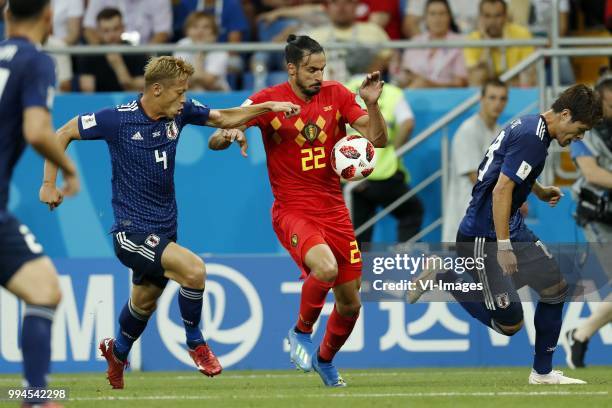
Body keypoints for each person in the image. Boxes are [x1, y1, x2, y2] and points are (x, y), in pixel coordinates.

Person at [39, 56, 300, 389]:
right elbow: (62, 133)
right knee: (194, 270)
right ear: (157, 89)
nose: (183, 99)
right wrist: (49, 183)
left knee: (143, 303)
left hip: (165, 228)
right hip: (130, 232)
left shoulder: (183, 112)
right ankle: (196, 342)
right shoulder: (116, 120)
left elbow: (227, 116)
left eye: (185, 93)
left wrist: (270, 107)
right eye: (178, 93)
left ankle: (117, 354)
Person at [208, 35, 387, 387]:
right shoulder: (266, 101)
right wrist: (230, 135)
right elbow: (217, 134)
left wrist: (372, 104)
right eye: (311, 69)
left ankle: (324, 359)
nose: (319, 76)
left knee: (351, 306)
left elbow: (378, 140)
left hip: (334, 210)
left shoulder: (337, 94)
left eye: (322, 69)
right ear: (291, 68)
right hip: (293, 210)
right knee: (325, 267)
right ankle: (301, 333)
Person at [413, 84, 602, 384]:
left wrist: (537, 191)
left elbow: (504, 167)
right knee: (510, 324)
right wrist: (503, 246)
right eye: (580, 130)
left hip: (509, 226)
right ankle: (443, 276)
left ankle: (542, 373)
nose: (579, 137)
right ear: (565, 114)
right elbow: (502, 188)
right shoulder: (532, 137)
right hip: (483, 236)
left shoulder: (530, 127)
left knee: (555, 287)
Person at [0, 0, 80, 406]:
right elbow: (36, 130)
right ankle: (35, 397)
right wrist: (68, 168)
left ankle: (36, 397)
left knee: (42, 288)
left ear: (5, 13)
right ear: (49, 17)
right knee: (45, 291)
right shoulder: (36, 62)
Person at [562, 72, 612, 369]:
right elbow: (592, 173)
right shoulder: (585, 131)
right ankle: (578, 336)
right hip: (596, 214)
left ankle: (579, 335)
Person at [345, 76, 423, 245]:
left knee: (359, 232)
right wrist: (395, 148)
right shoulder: (392, 93)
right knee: (412, 211)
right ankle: (405, 261)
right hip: (382, 173)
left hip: (352, 176)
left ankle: (359, 270)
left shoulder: (343, 89)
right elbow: (407, 123)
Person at [442, 78, 508, 242]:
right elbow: (477, 178)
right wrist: (510, 199)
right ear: (482, 99)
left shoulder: (500, 132)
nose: (497, 103)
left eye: (502, 98)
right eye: (492, 97)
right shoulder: (468, 130)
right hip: (466, 219)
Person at [308, 0, 392, 83]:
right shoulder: (314, 35)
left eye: (348, 2)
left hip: (362, 86)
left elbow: (389, 58)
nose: (341, 7)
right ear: (328, 7)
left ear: (356, 6)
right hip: (323, 88)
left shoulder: (373, 30)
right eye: (335, 2)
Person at [464, 0, 535, 87]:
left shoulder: (522, 34)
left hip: (516, 91)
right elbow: (475, 81)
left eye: (497, 16)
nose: (492, 21)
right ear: (480, 18)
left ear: (505, 17)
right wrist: (487, 45)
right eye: (487, 16)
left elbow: (528, 79)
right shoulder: (473, 39)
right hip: (487, 95)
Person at [398, 0, 467, 88]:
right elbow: (405, 74)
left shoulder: (461, 42)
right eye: (432, 14)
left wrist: (429, 85)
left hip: (448, 96)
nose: (437, 19)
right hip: (415, 92)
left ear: (449, 17)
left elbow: (460, 83)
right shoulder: (415, 42)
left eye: (442, 14)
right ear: (425, 18)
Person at [78, 8, 149, 93]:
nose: (111, 35)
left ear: (123, 28)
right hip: (100, 104)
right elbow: (87, 92)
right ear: (98, 32)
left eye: (116, 29)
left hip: (130, 104)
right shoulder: (90, 55)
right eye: (106, 31)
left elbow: (143, 90)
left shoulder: (136, 52)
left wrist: (119, 67)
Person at [173, 12, 230, 91]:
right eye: (195, 27)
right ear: (187, 31)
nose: (200, 31)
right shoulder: (182, 45)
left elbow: (208, 82)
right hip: (187, 94)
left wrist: (200, 52)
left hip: (217, 96)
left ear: (214, 32)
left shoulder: (220, 51)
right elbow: (180, 81)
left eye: (206, 27)